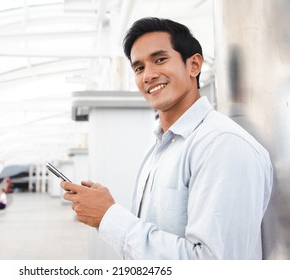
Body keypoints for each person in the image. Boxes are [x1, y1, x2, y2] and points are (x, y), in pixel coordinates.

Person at [61, 17, 273, 259]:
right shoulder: (159, 148)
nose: (148, 75)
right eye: (139, 68)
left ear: (193, 65)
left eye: (160, 60)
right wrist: (106, 209)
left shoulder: (222, 144)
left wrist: (109, 216)